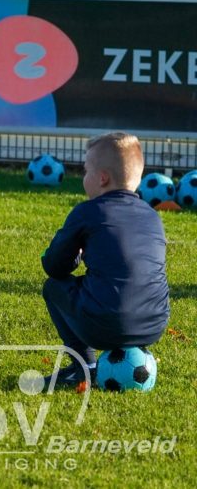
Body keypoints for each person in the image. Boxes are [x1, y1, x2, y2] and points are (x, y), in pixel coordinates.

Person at [40, 132, 169, 388]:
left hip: (104, 324)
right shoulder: (152, 216)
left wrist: (74, 258)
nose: (82, 177)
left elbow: (54, 267)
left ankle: (84, 366)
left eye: (85, 170)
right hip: (154, 324)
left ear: (102, 178)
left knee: (53, 287)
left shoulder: (88, 212)